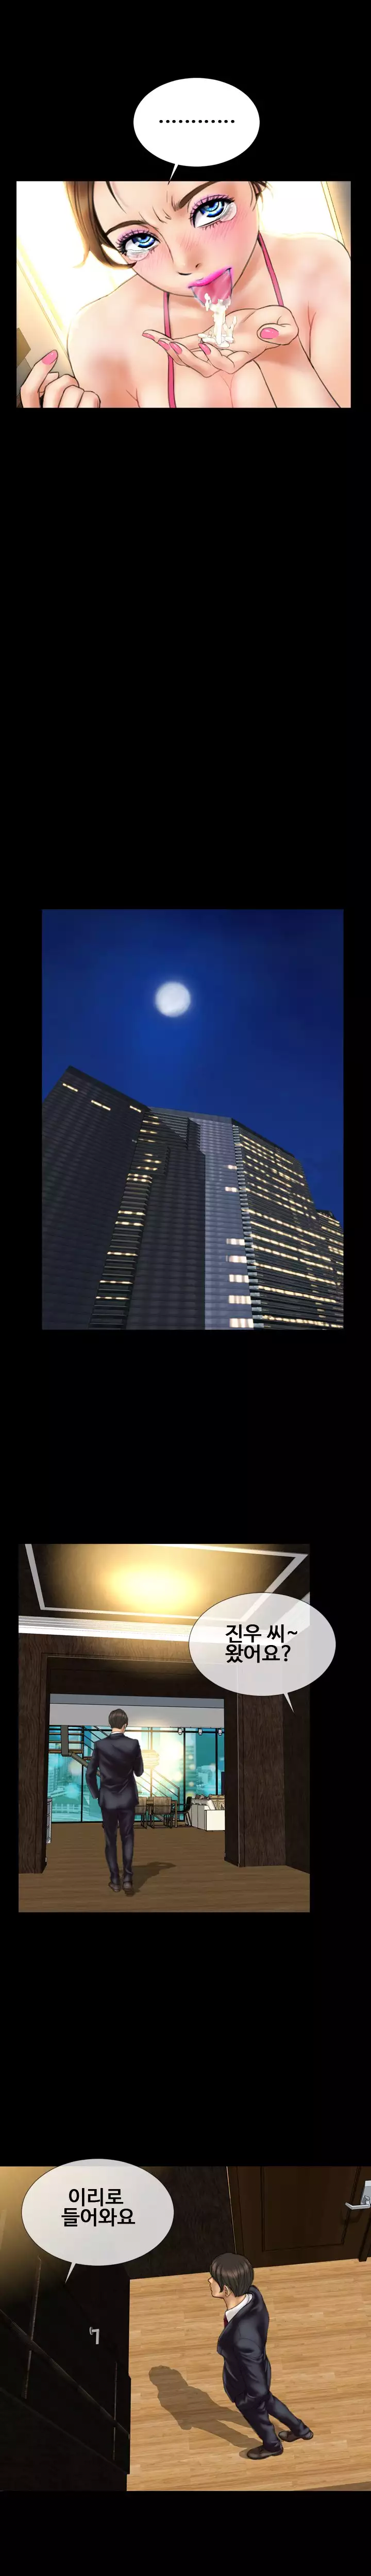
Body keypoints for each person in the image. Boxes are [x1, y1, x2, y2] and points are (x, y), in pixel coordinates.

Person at [19, 178, 350, 409]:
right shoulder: (101, 335)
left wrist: (281, 358)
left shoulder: (319, 266)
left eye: (211, 209)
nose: (184, 262)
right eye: (140, 240)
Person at [209, 2255, 313, 2459]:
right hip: (260, 2369)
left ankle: (273, 2447)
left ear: (227, 2290)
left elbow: (257, 2390)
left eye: (214, 2278)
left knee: (258, 2416)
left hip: (249, 2385)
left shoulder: (242, 2338)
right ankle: (301, 2430)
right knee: (270, 2402)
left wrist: (244, 2401)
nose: (209, 2280)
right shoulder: (254, 2296)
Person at [85, 1709, 144, 1894]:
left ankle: (115, 1881)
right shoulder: (133, 1744)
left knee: (110, 1841)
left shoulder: (100, 1745)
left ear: (110, 1724)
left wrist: (97, 1795)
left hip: (108, 1801)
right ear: (125, 1725)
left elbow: (89, 1774)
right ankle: (128, 1880)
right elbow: (139, 1772)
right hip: (127, 1800)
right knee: (128, 1838)